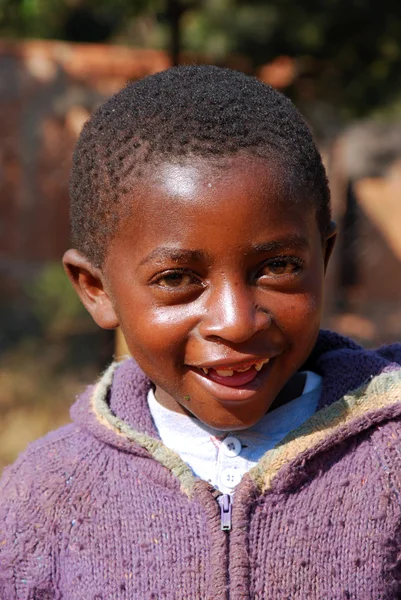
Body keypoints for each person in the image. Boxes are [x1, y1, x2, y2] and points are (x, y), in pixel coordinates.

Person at [1, 66, 400, 600]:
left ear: (322, 258)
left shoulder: (390, 455)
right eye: (177, 279)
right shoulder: (42, 497)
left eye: (278, 266)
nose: (236, 321)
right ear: (97, 290)